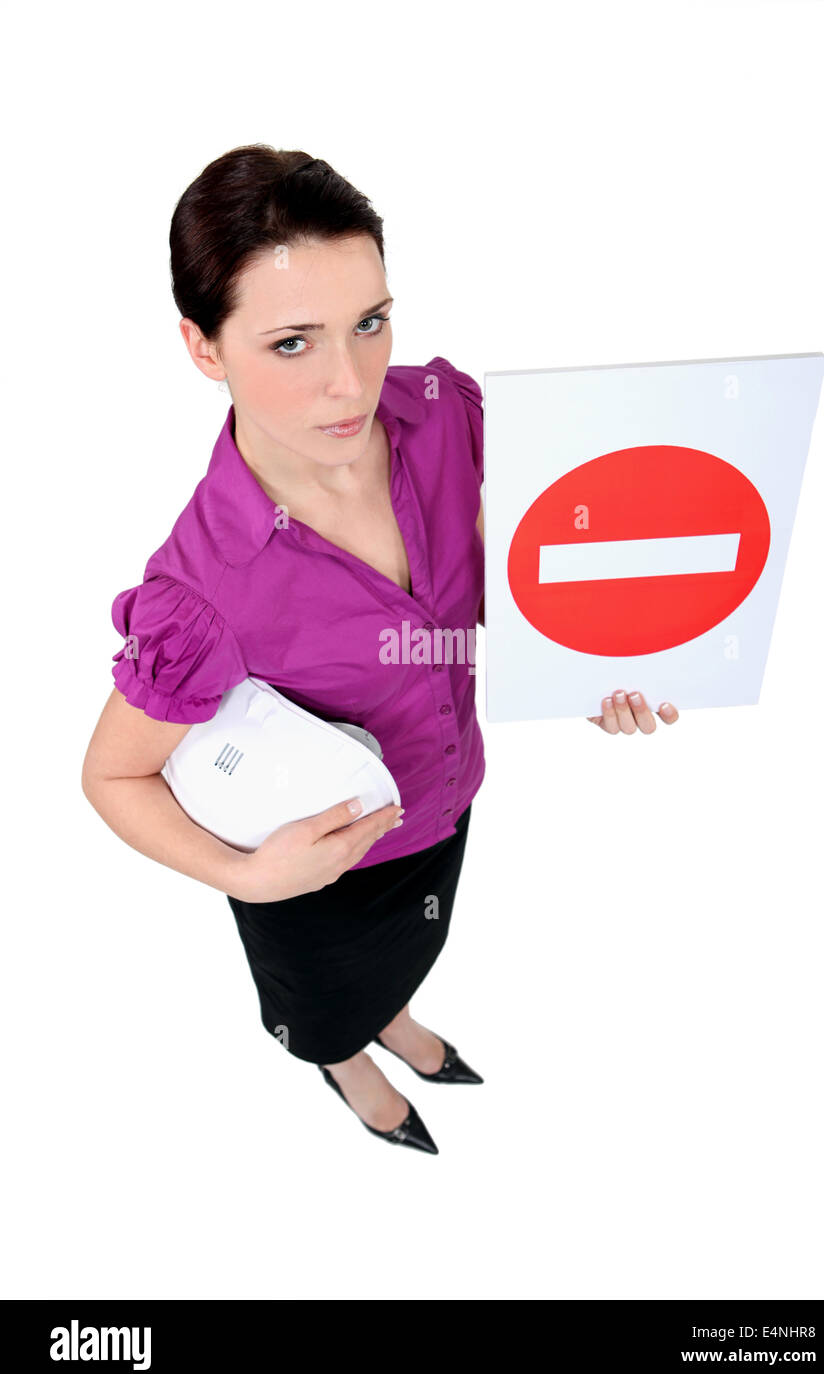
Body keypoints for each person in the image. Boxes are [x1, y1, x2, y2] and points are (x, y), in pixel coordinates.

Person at [81, 145, 680, 1156]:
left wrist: (582, 656)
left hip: (447, 800)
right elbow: (110, 773)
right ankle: (346, 1057)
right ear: (203, 347)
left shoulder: (441, 418)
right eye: (291, 345)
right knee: (327, 998)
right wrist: (251, 875)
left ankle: (391, 1014)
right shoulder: (203, 589)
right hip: (315, 873)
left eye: (369, 322)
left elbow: (488, 575)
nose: (349, 382)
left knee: (410, 951)